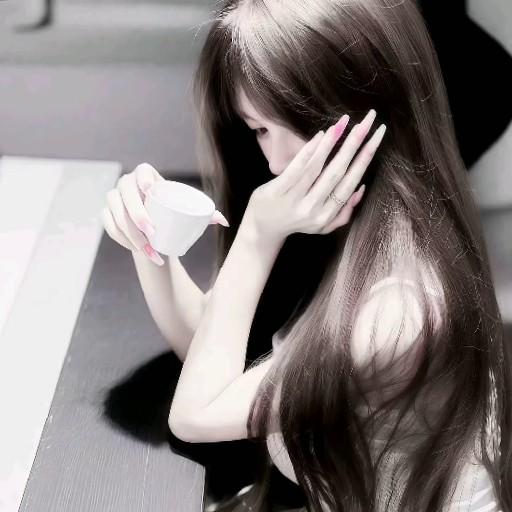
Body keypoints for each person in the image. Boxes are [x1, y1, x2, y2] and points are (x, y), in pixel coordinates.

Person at [103, 0, 509, 510]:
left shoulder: (400, 310)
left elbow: (196, 414)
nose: (273, 162)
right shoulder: (346, 225)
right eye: (258, 129)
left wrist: (258, 232)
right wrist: (151, 236)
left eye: (286, 124)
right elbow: (210, 353)